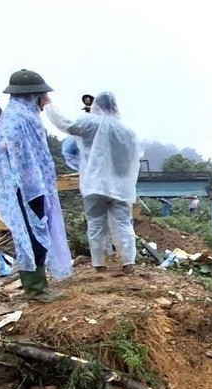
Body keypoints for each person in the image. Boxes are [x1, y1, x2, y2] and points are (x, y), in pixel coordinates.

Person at [0, 69, 73, 302]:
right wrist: (25, 178)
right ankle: (35, 289)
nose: (45, 100)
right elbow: (10, 147)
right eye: (42, 95)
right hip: (25, 188)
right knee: (32, 234)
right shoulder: (16, 117)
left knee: (39, 232)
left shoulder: (25, 115)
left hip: (36, 186)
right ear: (31, 95)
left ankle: (39, 285)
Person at [46, 91, 142, 275]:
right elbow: (134, 158)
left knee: (96, 224)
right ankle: (128, 263)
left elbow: (66, 125)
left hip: (95, 184)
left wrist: (49, 105)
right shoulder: (127, 131)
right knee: (123, 224)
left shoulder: (90, 123)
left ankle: (99, 265)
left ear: (96, 105)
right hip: (121, 187)